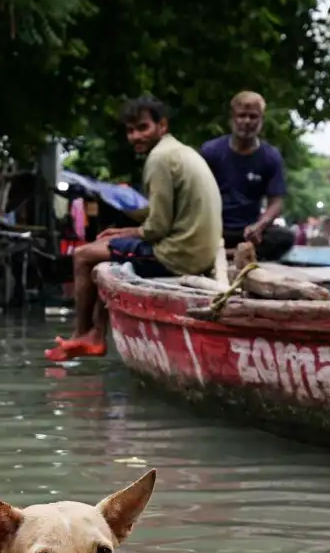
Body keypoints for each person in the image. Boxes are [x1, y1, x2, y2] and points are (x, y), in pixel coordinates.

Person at [50, 96, 222, 362]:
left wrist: (123, 233)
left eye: (143, 127)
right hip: (198, 250)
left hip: (178, 255)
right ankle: (95, 332)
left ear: (162, 126)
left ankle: (84, 333)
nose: (135, 136)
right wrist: (123, 232)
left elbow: (157, 227)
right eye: (130, 131)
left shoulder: (159, 159)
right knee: (103, 252)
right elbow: (159, 215)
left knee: (83, 256)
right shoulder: (178, 152)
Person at [200, 91, 291, 261]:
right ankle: (232, 253)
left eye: (253, 116)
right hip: (213, 228)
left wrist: (260, 225)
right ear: (232, 119)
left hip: (248, 233)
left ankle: (230, 253)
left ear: (261, 121)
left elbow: (276, 202)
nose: (247, 121)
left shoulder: (270, 156)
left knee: (284, 237)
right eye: (242, 116)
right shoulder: (210, 151)